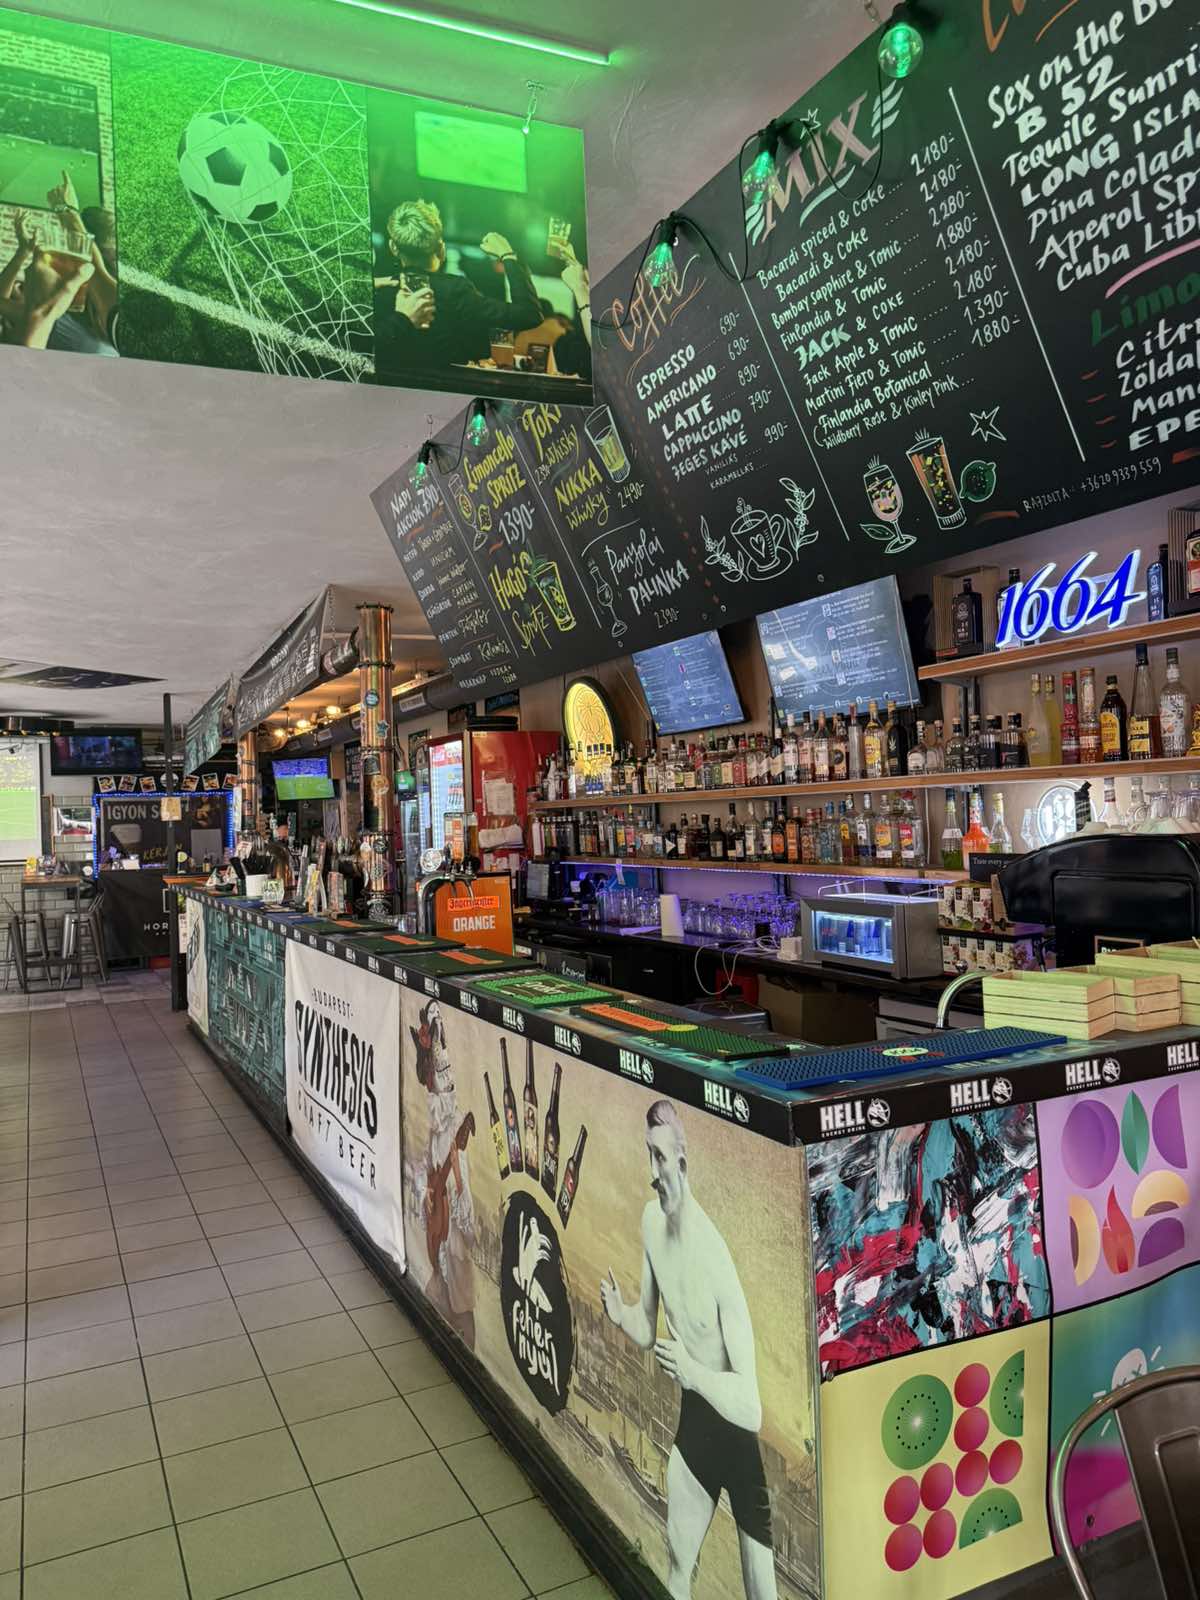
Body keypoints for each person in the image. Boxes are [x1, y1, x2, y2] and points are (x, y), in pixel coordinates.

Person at [600, 1100, 777, 1600]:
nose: (652, 1173)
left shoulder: (716, 1259)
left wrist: (692, 1372)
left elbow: (752, 1408)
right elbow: (645, 1327)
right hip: (696, 1425)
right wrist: (620, 1313)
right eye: (648, 1155)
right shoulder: (650, 1224)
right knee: (677, 1570)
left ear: (682, 1160)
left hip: (738, 1441)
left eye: (660, 1157)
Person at [375, 198, 544, 373]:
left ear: (393, 247)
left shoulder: (379, 290)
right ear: (441, 248)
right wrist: (508, 256)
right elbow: (529, 314)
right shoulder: (456, 290)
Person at [410, 1000, 476, 1349]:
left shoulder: (456, 1143)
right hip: (439, 1263)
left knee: (463, 1328)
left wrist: (458, 1181)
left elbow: (471, 1230)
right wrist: (426, 1192)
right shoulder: (436, 1137)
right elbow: (423, 1173)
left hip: (457, 1276)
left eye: (442, 1092)